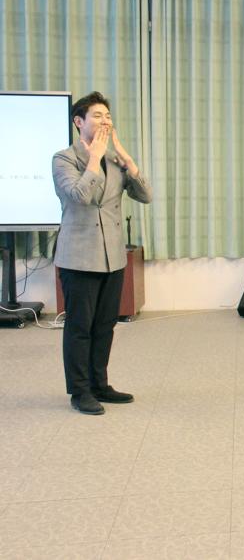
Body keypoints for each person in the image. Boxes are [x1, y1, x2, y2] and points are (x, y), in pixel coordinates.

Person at [52, 92, 153, 415]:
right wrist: (94, 158)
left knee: (105, 325)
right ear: (78, 122)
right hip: (79, 257)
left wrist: (128, 161)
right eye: (97, 116)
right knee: (80, 327)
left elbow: (146, 196)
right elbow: (80, 196)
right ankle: (80, 391)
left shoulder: (114, 161)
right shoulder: (64, 159)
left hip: (112, 257)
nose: (105, 121)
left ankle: (99, 384)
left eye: (108, 116)